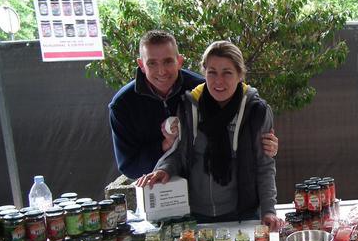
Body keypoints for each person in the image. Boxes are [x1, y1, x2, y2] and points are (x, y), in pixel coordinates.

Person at [136, 40, 280, 231]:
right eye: (212, 72)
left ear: (240, 75)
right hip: (195, 215)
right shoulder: (189, 106)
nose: (218, 81)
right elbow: (179, 153)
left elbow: (264, 165)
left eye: (227, 73)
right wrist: (165, 170)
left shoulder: (256, 111)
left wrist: (269, 210)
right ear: (204, 73)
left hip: (242, 214)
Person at [108, 30, 278, 179]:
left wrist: (263, 145)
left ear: (179, 61)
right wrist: (165, 146)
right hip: (156, 190)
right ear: (141, 65)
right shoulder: (122, 105)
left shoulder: (202, 89)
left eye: (168, 61)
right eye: (152, 63)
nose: (161, 71)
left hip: (204, 189)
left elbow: (234, 126)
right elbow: (129, 167)